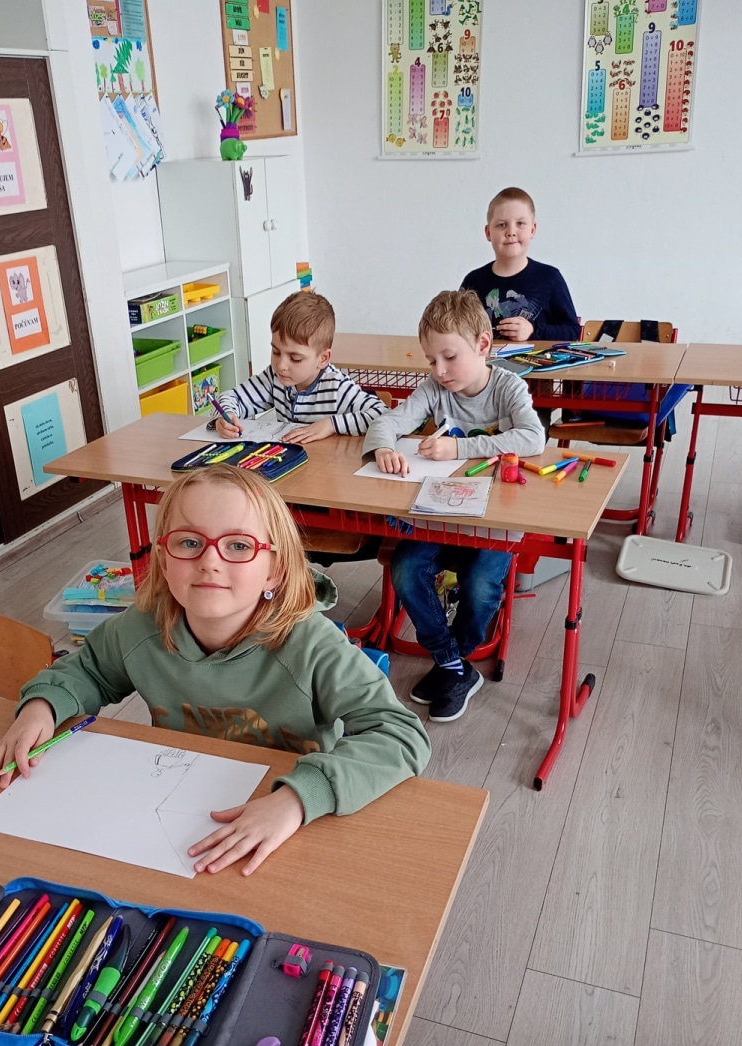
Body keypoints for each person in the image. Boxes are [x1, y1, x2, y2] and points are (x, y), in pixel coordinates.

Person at [0, 464, 430, 875]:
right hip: (174, 810)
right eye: (188, 542)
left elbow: (400, 735)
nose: (210, 561)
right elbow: (87, 671)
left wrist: (299, 798)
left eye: (238, 545)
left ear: (274, 570)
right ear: (164, 559)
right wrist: (43, 707)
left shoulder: (313, 645)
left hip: (285, 820)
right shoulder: (139, 628)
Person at [362, 290, 545, 722]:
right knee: (406, 567)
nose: (439, 371)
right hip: (440, 515)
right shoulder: (433, 389)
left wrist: (460, 447)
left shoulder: (507, 387)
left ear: (482, 345)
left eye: (449, 357)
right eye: (431, 360)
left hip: (495, 522)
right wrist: (383, 448)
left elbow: (533, 437)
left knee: (480, 584)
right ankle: (452, 665)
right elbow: (387, 421)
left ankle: (454, 661)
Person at [213, 291, 384, 442]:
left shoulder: (337, 387)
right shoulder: (274, 377)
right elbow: (230, 398)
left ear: (323, 359)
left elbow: (382, 415)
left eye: (295, 358)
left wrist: (330, 425)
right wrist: (226, 417)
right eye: (276, 352)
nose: (281, 365)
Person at [460, 187, 579, 343]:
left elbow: (572, 331)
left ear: (532, 229)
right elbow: (456, 330)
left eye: (520, 223)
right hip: (486, 359)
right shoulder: (473, 281)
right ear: (488, 233)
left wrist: (533, 330)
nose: (511, 232)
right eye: (502, 225)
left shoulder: (550, 278)